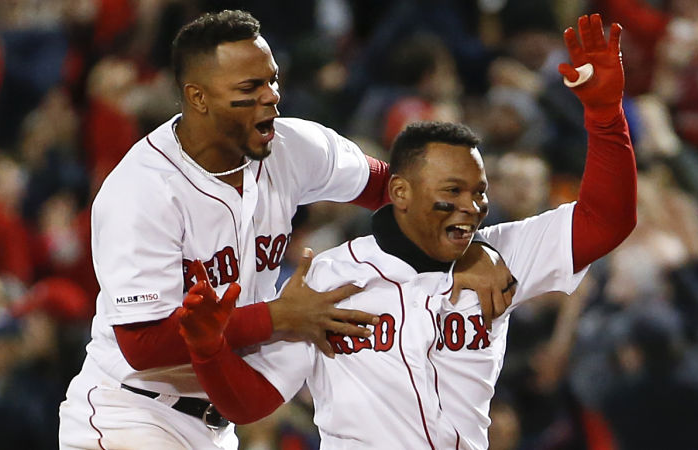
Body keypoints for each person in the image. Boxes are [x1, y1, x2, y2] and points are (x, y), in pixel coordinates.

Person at [57, 9, 516, 450]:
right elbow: (141, 345)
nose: (271, 95)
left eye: (272, 79)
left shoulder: (292, 147)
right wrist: (276, 317)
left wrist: (474, 250)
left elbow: (398, 190)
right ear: (199, 97)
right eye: (250, 86)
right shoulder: (142, 190)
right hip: (130, 414)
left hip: (216, 424)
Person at [178, 14, 636, 449]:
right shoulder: (331, 279)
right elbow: (251, 401)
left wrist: (604, 114)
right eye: (452, 190)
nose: (471, 207)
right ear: (400, 191)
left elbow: (607, 220)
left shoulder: (502, 257)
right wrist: (207, 348)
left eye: (479, 192)